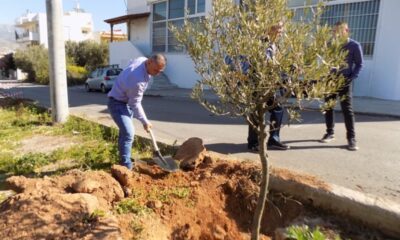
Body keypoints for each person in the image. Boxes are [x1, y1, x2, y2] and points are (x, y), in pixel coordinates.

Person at [107, 54, 166, 170]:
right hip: (117, 103)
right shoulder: (137, 80)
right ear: (149, 62)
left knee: (124, 134)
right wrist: (145, 121)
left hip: (126, 101)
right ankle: (126, 166)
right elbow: (135, 103)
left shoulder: (142, 60)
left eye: (160, 71)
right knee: (128, 134)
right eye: (155, 70)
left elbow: (132, 61)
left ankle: (121, 161)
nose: (157, 73)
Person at [320, 21, 363, 151]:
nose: (336, 34)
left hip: (345, 80)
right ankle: (330, 133)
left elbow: (359, 64)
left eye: (339, 31)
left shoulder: (354, 45)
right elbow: (325, 62)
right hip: (330, 80)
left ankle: (351, 138)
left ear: (346, 31)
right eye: (334, 31)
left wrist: (351, 78)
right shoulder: (330, 45)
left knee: (347, 110)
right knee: (329, 107)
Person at [247, 21, 290, 151]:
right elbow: (262, 63)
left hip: (273, 83)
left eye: (282, 28)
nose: (281, 31)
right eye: (278, 28)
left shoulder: (277, 45)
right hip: (259, 83)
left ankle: (273, 140)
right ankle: (253, 143)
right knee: (257, 111)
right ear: (270, 29)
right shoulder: (261, 43)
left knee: (278, 109)